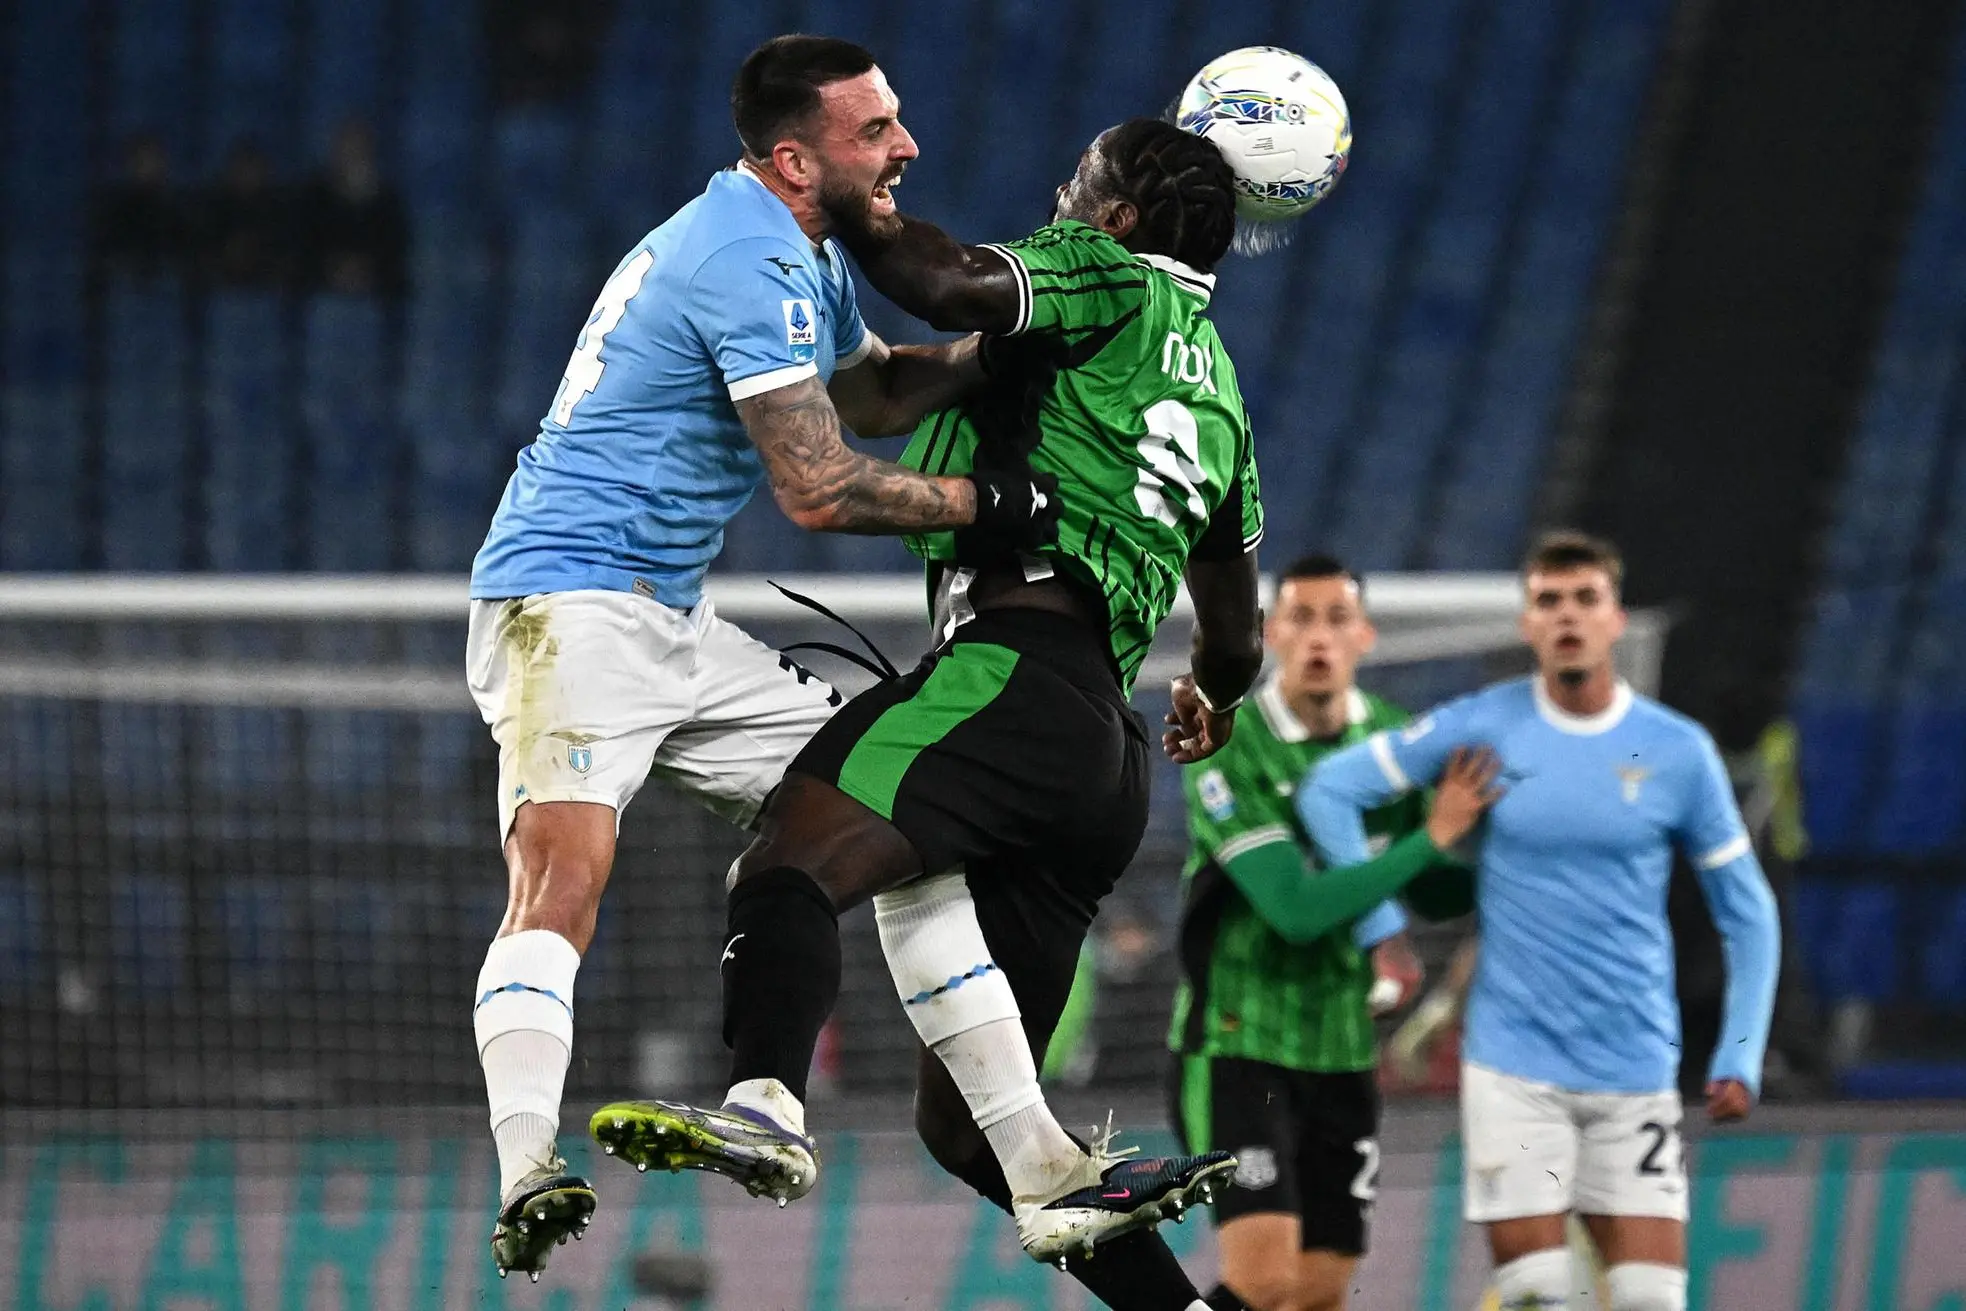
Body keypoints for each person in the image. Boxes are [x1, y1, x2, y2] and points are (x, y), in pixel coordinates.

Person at [594, 116, 1285, 1309]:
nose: (1062, 199)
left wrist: (840, 186)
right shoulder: (1221, 395)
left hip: (1013, 674)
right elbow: (1235, 639)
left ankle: (764, 1105)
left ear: (1119, 218)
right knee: (972, 1129)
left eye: (1080, 184)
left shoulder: (1103, 274)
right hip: (1105, 761)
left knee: (788, 863)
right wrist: (1208, 701)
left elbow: (939, 275)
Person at [464, 35, 1061, 1281]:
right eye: (873, 132)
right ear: (795, 158)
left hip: (672, 619)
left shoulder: (796, 249)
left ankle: (1045, 1164)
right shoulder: (743, 255)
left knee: (891, 814)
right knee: (562, 878)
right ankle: (526, 1168)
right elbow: (822, 486)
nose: (906, 148)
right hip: (566, 602)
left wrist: (1017, 341)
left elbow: (882, 392)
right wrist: (998, 506)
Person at [1298, 531, 1782, 1311]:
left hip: (1635, 1064)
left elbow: (1749, 910)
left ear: (1616, 619)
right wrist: (1380, 927)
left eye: (1585, 599)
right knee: (1537, 1293)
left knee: (1652, 1300)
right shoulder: (1484, 728)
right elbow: (1328, 789)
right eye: (1549, 601)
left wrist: (1743, 1049)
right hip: (1514, 1066)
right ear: (1526, 622)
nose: (1567, 617)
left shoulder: (1676, 751)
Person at [1168, 555, 1498, 1311]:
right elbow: (1297, 909)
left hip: (1344, 1047)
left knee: (1318, 1293)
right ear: (1270, 634)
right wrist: (1433, 832)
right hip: (1238, 1044)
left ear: (1366, 635)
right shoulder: (1230, 739)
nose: (1320, 637)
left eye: (1337, 619)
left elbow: (1433, 889)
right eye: (1302, 619)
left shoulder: (1391, 740)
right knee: (1264, 1281)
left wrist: (1498, 860)